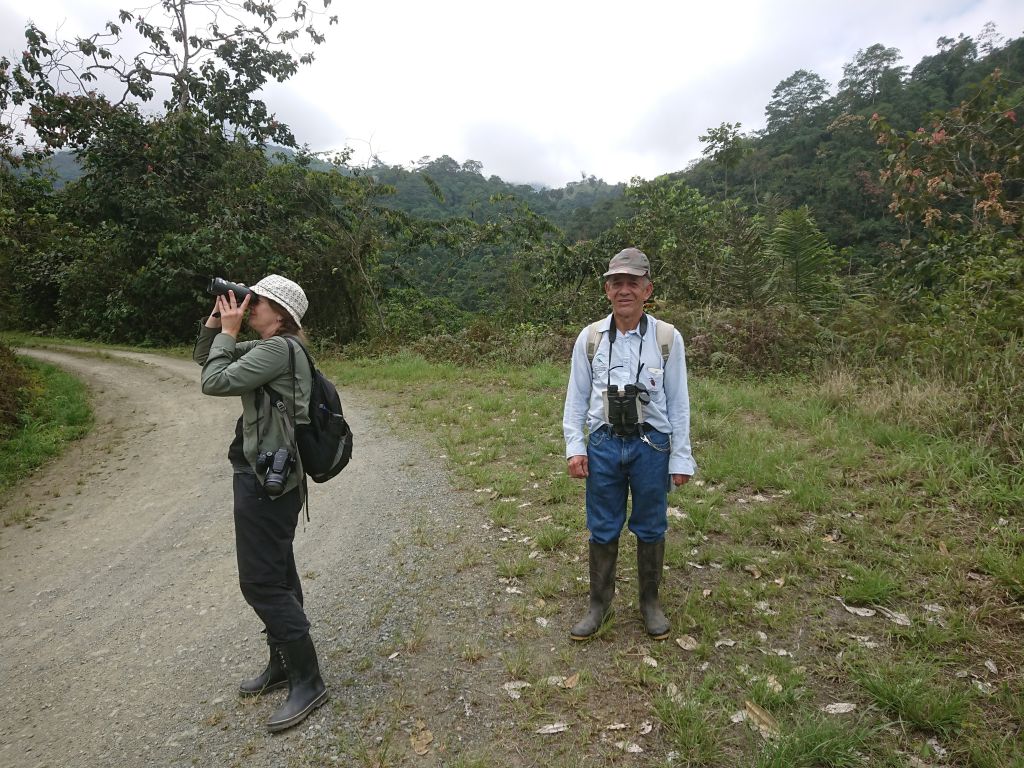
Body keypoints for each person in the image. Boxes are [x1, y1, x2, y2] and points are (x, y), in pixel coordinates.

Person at [192, 274, 328, 732]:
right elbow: (205, 360)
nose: (250, 307)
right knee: (279, 572)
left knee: (261, 582)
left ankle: (308, 679)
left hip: (266, 481)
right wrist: (217, 323)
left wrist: (229, 334)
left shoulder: (277, 350)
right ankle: (284, 665)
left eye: (259, 302)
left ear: (281, 313)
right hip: (266, 477)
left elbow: (213, 383)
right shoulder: (276, 348)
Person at [562, 248, 696, 641]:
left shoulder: (667, 338)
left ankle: (650, 603)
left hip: (652, 446)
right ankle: (598, 605)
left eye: (632, 283)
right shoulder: (589, 339)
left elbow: (679, 400)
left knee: (651, 525)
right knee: (602, 526)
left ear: (647, 289)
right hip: (603, 442)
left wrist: (681, 457)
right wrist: (575, 447)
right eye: (616, 283)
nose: (624, 290)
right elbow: (576, 396)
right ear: (607, 290)